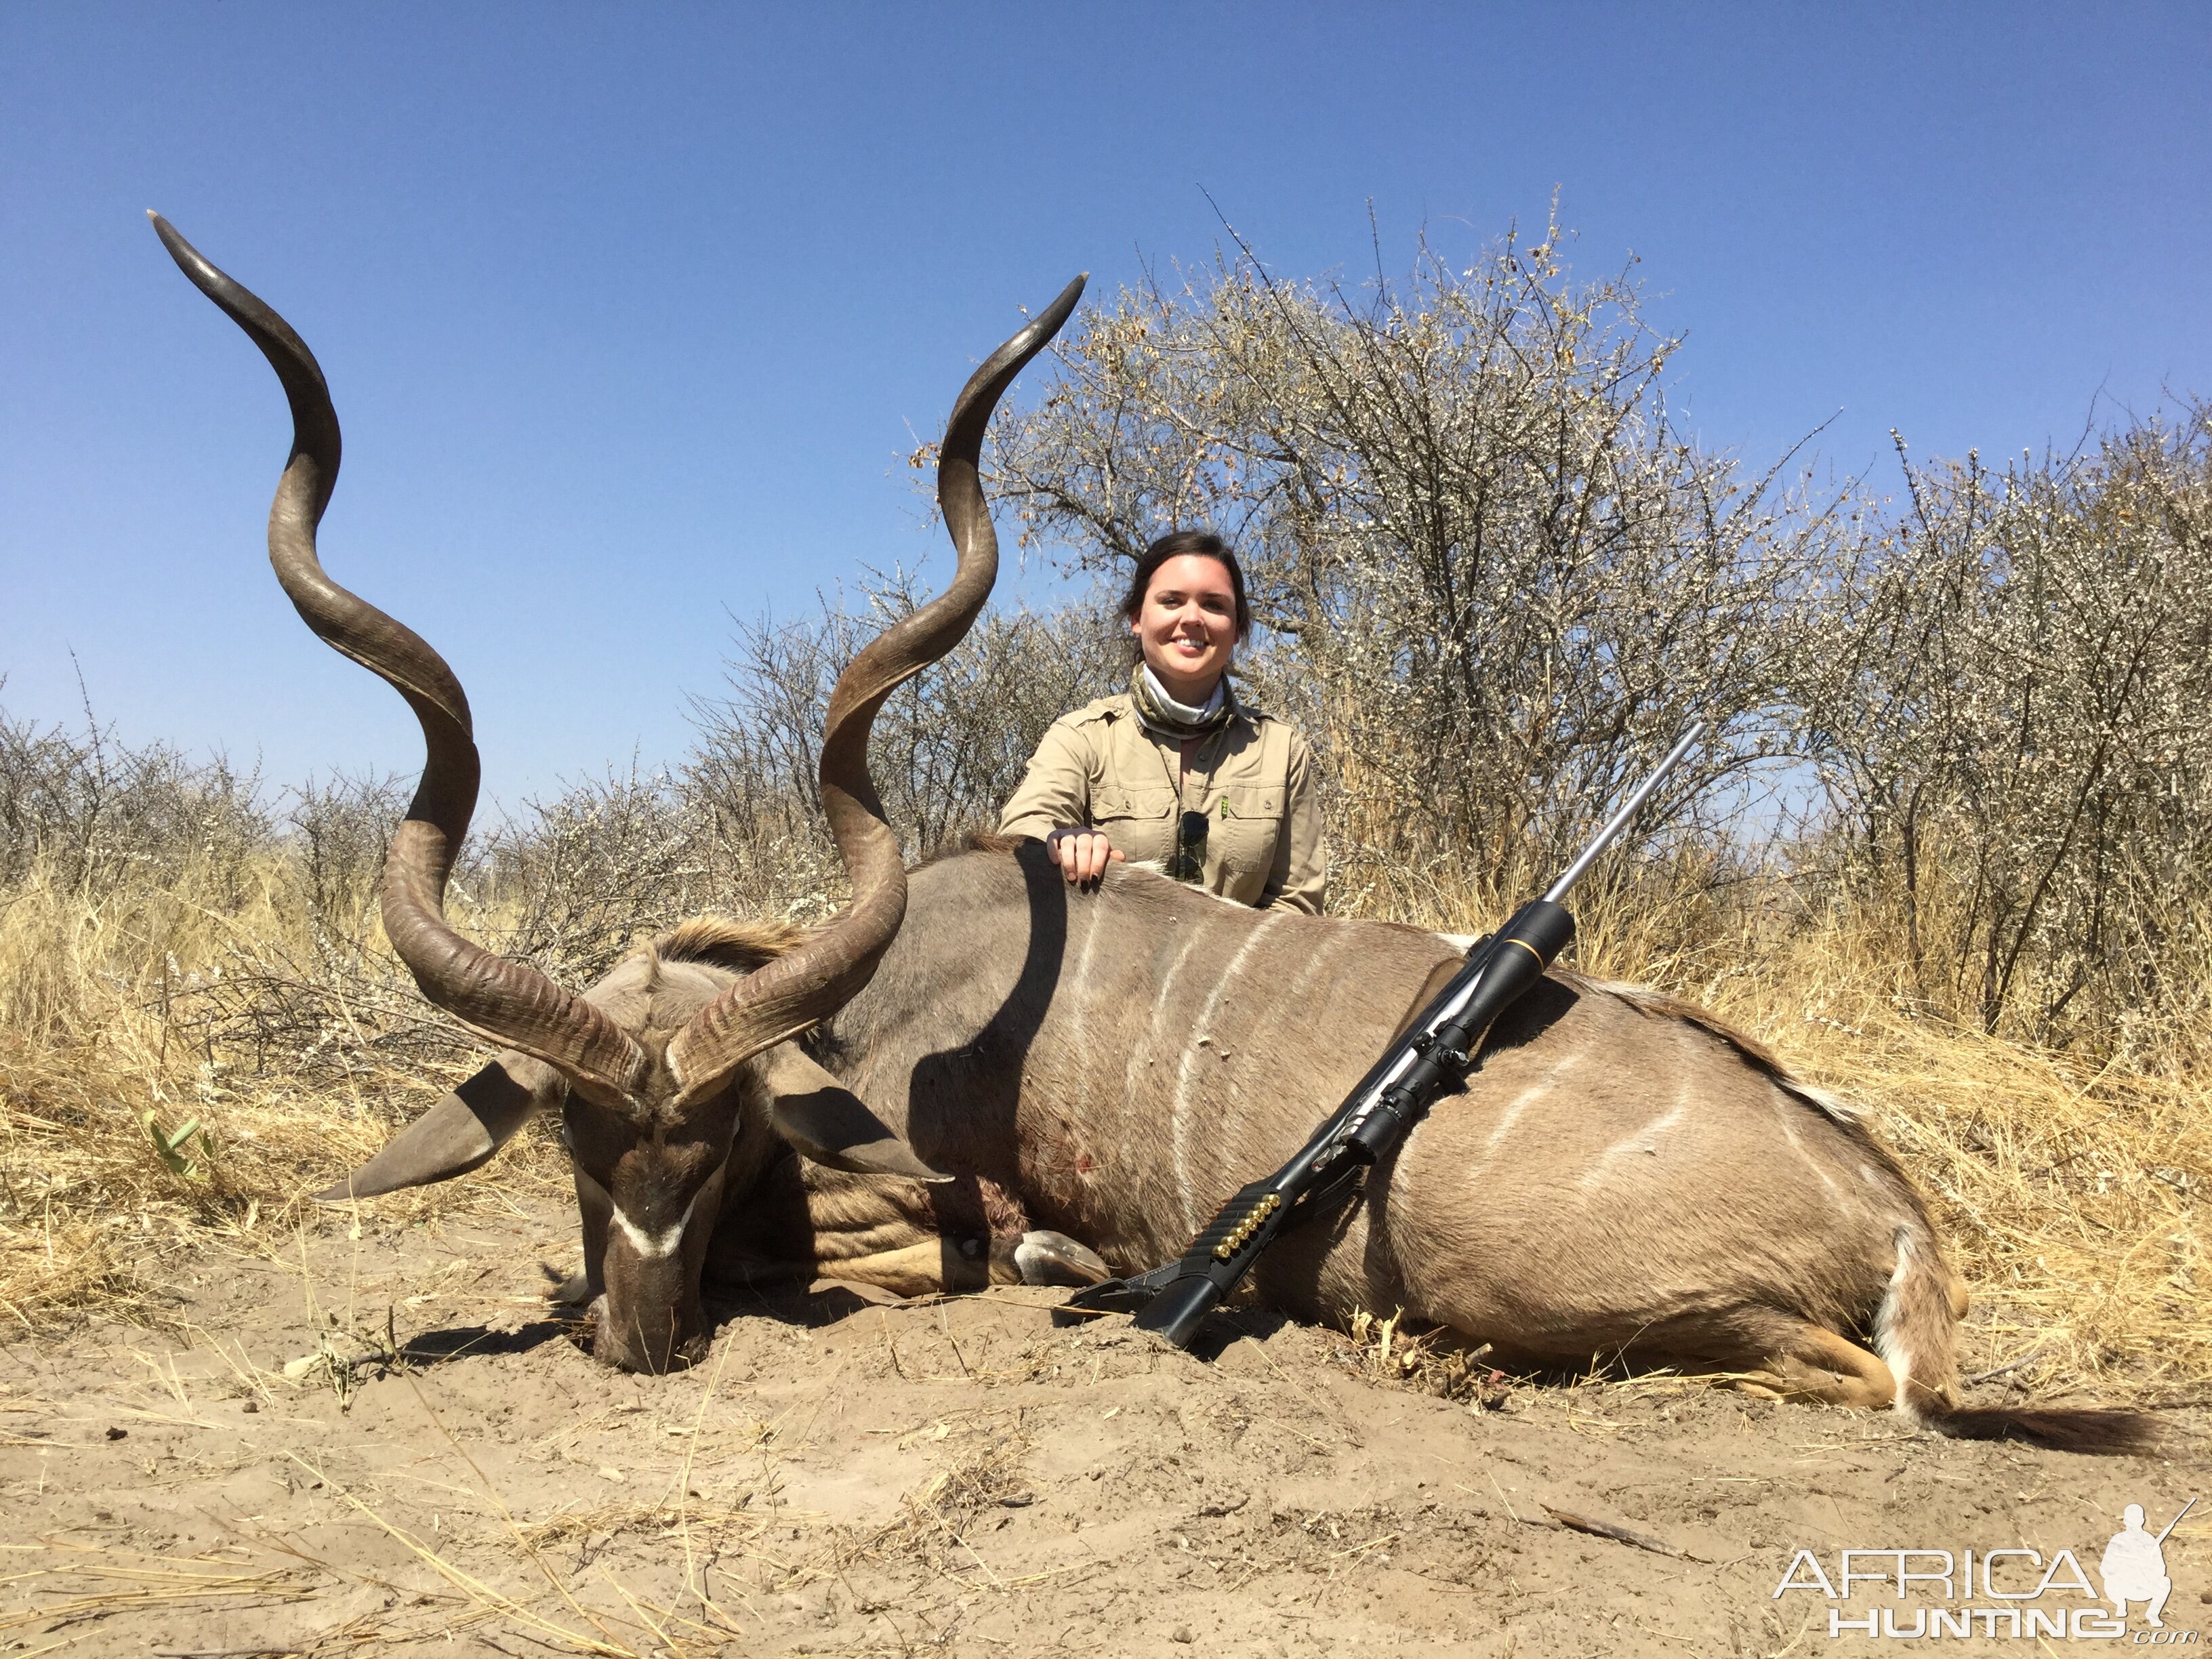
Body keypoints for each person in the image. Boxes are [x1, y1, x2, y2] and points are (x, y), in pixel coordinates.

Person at [999, 529, 1325, 912]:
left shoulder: (1280, 749)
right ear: (1138, 619)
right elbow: (1024, 830)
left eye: (1214, 605)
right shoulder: (1083, 737)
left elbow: (1297, 903)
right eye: (1172, 601)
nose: (1192, 618)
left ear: (1237, 629)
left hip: (1239, 967)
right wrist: (1065, 840)